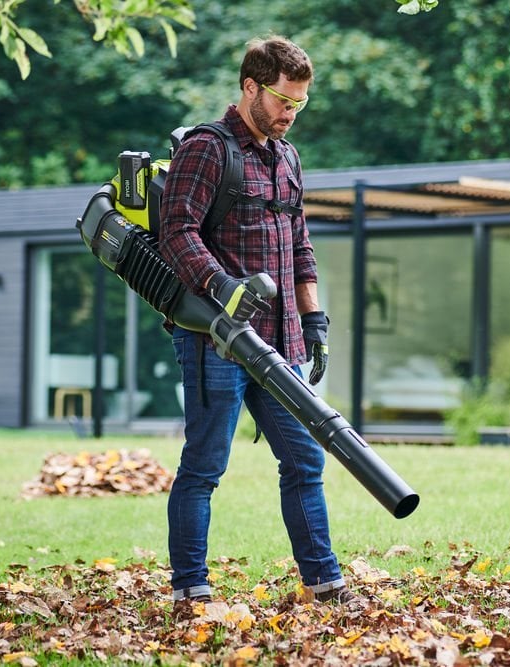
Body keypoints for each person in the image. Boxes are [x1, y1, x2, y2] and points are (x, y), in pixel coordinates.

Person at [158, 35, 356, 608]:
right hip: (215, 341)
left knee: (305, 459)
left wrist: (313, 318)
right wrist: (222, 288)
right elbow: (178, 232)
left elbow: (299, 244)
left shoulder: (287, 156)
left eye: (300, 103)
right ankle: (189, 591)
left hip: (282, 340)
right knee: (204, 466)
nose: (291, 113)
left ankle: (325, 584)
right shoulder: (207, 149)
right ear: (250, 87)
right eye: (282, 100)